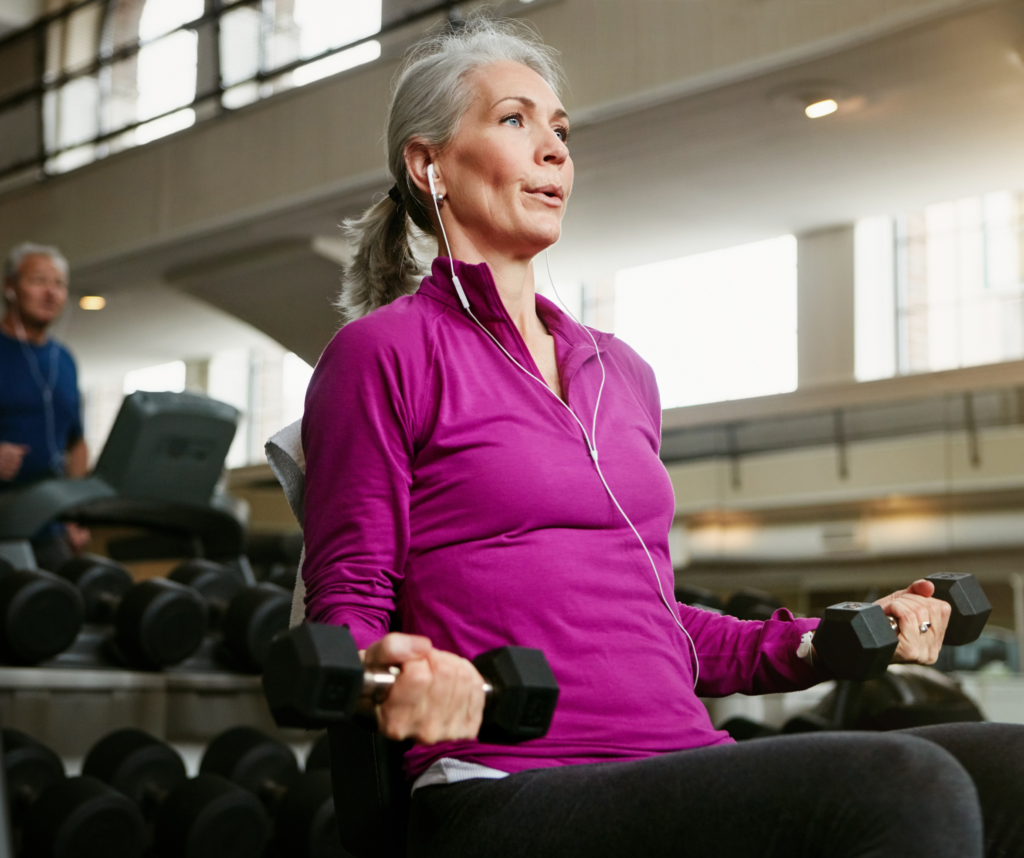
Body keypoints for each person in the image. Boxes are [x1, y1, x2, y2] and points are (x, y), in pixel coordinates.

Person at [300, 19, 1024, 858]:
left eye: (561, 130)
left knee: (1008, 765)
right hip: (508, 786)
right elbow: (346, 612)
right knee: (905, 785)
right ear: (430, 167)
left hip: (676, 763)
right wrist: (397, 672)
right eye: (514, 121)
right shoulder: (383, 353)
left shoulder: (620, 372)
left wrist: (833, 636)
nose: (553, 150)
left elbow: (664, 630)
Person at [1, 242, 89, 569]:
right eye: (38, 281)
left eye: (59, 284)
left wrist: (75, 512)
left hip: (47, 521)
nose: (50, 293)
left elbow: (77, 443)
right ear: (10, 287)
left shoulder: (64, 360)